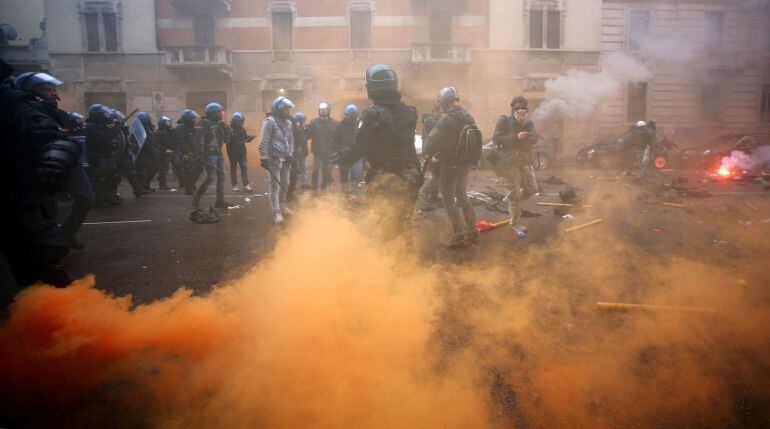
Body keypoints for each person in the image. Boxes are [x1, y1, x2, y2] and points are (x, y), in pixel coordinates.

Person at [0, 65, 82, 288]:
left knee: (39, 260)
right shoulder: (14, 102)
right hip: (15, 195)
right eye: (46, 90)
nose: (52, 95)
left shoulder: (16, 104)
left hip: (15, 191)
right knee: (38, 256)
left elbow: (47, 133)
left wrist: (54, 159)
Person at [332, 64, 421, 241]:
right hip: (412, 175)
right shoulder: (409, 111)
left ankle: (384, 266)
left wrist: (341, 156)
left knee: (383, 227)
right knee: (403, 227)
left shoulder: (372, 114)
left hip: (386, 178)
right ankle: (407, 266)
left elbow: (359, 147)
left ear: (371, 88)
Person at [425, 87, 480, 247]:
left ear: (443, 103)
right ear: (456, 99)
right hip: (464, 164)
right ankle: (472, 229)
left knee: (448, 200)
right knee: (462, 195)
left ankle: (459, 234)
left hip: (449, 165)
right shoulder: (468, 117)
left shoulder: (446, 119)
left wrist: (430, 150)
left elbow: (430, 143)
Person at [492, 95, 539, 233]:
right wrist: (515, 137)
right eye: (517, 108)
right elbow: (497, 139)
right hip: (509, 162)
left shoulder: (528, 123)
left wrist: (529, 136)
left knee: (532, 188)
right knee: (514, 192)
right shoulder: (504, 121)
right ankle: (515, 222)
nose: (520, 112)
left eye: (523, 108)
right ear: (512, 109)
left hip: (524, 161)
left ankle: (511, 199)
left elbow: (535, 137)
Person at [259, 96, 295, 224]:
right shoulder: (269, 122)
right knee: (275, 187)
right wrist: (263, 157)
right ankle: (276, 212)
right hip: (273, 159)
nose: (288, 112)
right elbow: (264, 140)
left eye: (288, 109)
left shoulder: (288, 123)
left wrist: (290, 153)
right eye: (286, 109)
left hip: (285, 159)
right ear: (278, 109)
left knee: (286, 183)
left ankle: (283, 206)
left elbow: (291, 141)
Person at [192, 102, 233, 208]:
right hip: (209, 153)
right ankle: (197, 195)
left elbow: (227, 141)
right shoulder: (204, 123)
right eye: (220, 111)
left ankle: (220, 200)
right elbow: (197, 140)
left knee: (222, 176)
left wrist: (227, 131)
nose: (222, 113)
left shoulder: (220, 124)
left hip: (218, 153)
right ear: (214, 113)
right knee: (211, 177)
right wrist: (199, 153)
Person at [85, 104, 120, 207]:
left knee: (111, 177)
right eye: (104, 114)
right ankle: (99, 201)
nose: (106, 116)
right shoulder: (91, 127)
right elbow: (104, 139)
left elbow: (108, 138)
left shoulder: (101, 126)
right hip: (98, 157)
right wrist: (116, 129)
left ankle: (108, 197)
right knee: (100, 179)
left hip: (106, 156)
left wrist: (117, 128)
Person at [333, 104, 363, 196]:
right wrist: (337, 153)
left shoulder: (359, 125)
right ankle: (345, 194)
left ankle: (354, 194)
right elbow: (336, 140)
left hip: (356, 153)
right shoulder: (340, 125)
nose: (351, 117)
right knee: (344, 175)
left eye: (354, 115)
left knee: (356, 174)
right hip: (344, 154)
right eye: (350, 115)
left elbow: (363, 138)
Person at [307, 102, 338, 192]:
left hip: (328, 151)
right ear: (319, 111)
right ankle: (314, 187)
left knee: (326, 170)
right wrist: (305, 130)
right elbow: (308, 133)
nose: (323, 111)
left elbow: (337, 136)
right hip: (318, 151)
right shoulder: (314, 122)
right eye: (321, 110)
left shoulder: (334, 123)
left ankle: (324, 185)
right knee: (315, 169)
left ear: (328, 111)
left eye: (324, 110)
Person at [419, 103, 442, 204]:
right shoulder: (430, 121)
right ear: (434, 111)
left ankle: (434, 195)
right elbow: (436, 135)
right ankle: (424, 192)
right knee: (437, 174)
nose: (441, 114)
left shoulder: (432, 120)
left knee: (436, 173)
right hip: (433, 152)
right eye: (440, 112)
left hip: (434, 151)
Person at [175, 109, 201, 195]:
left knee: (197, 169)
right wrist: (185, 153)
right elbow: (180, 141)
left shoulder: (188, 127)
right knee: (189, 171)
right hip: (185, 152)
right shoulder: (181, 127)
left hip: (191, 151)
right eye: (192, 119)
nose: (194, 121)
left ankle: (191, 186)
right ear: (188, 119)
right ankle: (189, 190)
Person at [227, 112, 254, 192]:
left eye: (242, 121)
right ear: (235, 121)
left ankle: (246, 185)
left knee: (244, 168)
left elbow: (244, 138)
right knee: (233, 168)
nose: (242, 122)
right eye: (240, 121)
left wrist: (249, 138)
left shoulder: (242, 129)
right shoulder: (229, 129)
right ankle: (235, 185)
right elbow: (227, 140)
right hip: (232, 153)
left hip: (242, 152)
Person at [288, 112, 308, 201]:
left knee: (302, 168)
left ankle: (304, 183)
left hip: (302, 151)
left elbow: (305, 138)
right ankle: (291, 188)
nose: (303, 121)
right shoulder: (294, 128)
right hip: (295, 152)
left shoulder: (303, 128)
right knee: (294, 170)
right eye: (302, 119)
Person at [155, 115, 178, 190]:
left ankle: (163, 184)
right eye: (166, 122)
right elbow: (156, 144)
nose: (168, 124)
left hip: (166, 153)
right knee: (163, 170)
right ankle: (162, 185)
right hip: (161, 154)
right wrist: (164, 150)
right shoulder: (158, 132)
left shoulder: (166, 131)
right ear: (162, 123)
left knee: (165, 169)